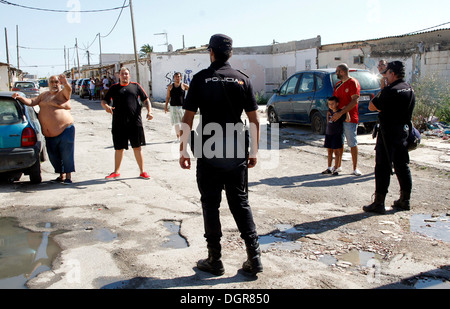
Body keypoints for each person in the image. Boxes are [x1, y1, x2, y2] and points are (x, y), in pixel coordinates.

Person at [179, 34, 263, 276]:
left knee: (210, 204)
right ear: (231, 54)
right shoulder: (242, 80)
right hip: (236, 148)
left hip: (208, 148)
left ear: (211, 52)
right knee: (240, 202)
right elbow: (254, 119)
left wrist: (183, 149)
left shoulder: (200, 79)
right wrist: (254, 150)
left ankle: (215, 259)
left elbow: (188, 118)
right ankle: (254, 257)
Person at [363, 61, 415, 214]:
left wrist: (382, 90)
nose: (385, 76)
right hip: (403, 132)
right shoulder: (409, 89)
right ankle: (405, 200)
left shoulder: (390, 90)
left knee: (382, 167)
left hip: (387, 134)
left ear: (392, 73)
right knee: (402, 165)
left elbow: (372, 106)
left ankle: (379, 203)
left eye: (387, 73)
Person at [12, 74, 75, 184]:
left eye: (56, 82)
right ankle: (62, 175)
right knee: (53, 156)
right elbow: (32, 102)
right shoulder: (43, 95)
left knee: (66, 154)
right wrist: (20, 97)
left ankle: (68, 176)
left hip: (65, 130)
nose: (54, 84)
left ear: (60, 83)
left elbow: (68, 91)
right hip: (49, 134)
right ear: (48, 84)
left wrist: (65, 83)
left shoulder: (62, 94)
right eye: (52, 82)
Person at [101, 67, 153, 180]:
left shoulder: (136, 86)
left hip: (135, 122)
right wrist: (106, 107)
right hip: (119, 123)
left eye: (126, 74)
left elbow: (146, 100)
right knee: (119, 148)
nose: (124, 76)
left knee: (137, 147)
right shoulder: (114, 88)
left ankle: (142, 171)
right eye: (122, 74)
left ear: (129, 76)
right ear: (119, 76)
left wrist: (150, 111)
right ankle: (116, 171)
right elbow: (104, 100)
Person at [331, 63, 362, 176]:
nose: (336, 73)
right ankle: (338, 165)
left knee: (352, 142)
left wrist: (342, 113)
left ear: (342, 72)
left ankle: (355, 168)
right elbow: (335, 100)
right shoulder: (338, 84)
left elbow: (354, 101)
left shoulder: (353, 82)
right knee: (339, 142)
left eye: (337, 71)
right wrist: (333, 112)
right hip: (338, 118)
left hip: (350, 118)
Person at [322, 96, 350, 176]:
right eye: (329, 104)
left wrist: (346, 111)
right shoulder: (329, 111)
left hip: (337, 134)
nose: (331, 105)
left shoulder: (340, 113)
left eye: (332, 104)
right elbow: (328, 122)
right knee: (329, 151)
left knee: (336, 152)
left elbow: (348, 119)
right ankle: (329, 168)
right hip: (329, 134)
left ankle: (336, 168)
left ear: (337, 104)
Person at [164, 72, 189, 140]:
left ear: (180, 77)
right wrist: (166, 107)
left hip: (182, 107)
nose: (177, 78)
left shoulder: (184, 86)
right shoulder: (170, 86)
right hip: (173, 107)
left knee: (183, 122)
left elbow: (192, 91)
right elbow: (168, 97)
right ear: (174, 78)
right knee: (176, 123)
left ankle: (184, 136)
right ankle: (179, 137)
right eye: (176, 76)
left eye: (178, 76)